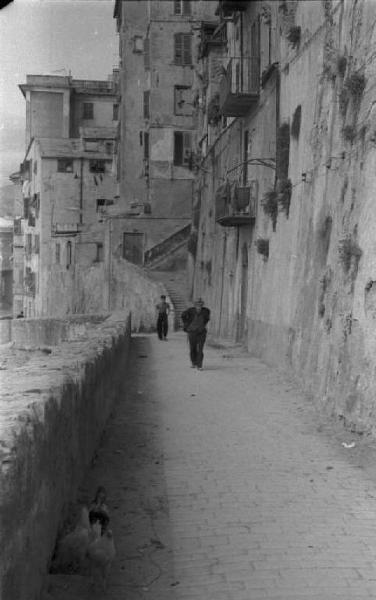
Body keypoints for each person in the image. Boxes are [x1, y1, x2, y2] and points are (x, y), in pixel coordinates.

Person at [181, 298, 210, 370]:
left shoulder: (206, 311)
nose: (199, 307)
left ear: (202, 305)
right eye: (197, 305)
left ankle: (199, 365)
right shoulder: (190, 310)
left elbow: (207, 319)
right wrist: (186, 325)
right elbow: (183, 316)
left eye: (200, 305)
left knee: (200, 349)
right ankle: (193, 362)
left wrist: (202, 326)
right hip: (192, 332)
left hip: (201, 332)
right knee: (193, 348)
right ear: (195, 305)